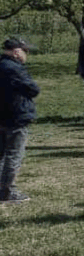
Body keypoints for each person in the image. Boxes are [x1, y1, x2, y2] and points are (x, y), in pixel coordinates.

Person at [0, 38, 39, 203]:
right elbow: (33, 89)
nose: (26, 55)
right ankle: (7, 192)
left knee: (1, 155)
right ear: (16, 52)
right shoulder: (14, 68)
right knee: (13, 155)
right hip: (16, 115)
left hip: (2, 115)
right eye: (25, 51)